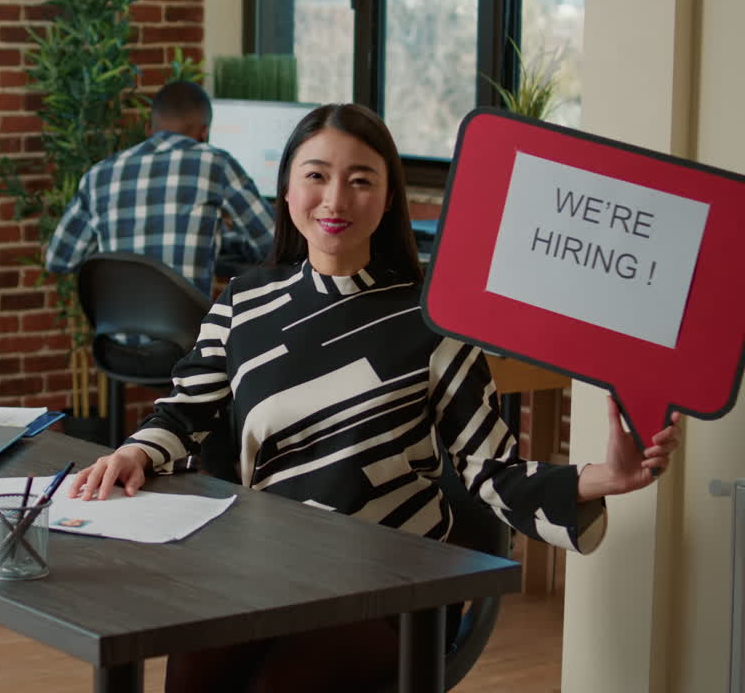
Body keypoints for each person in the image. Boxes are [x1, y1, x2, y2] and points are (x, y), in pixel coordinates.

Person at [67, 103, 682, 692]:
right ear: (287, 189)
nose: (335, 200)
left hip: (390, 589)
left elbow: (491, 470)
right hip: (266, 572)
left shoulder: (433, 320)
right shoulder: (243, 302)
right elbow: (185, 410)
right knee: (190, 662)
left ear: (388, 200)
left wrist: (605, 477)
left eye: (360, 180)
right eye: (317, 176)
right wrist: (137, 454)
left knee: (276, 688)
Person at [45, 80, 275, 299]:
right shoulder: (215, 163)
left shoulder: (98, 174)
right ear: (204, 133)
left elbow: (59, 259)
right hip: (190, 335)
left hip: (114, 334)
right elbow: (273, 240)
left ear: (148, 129)